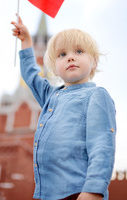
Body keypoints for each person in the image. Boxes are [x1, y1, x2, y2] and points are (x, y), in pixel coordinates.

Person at [11, 16, 116, 200]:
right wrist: (27, 41)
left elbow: (102, 145)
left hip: (77, 192)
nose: (71, 57)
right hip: (45, 194)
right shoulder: (51, 96)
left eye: (79, 51)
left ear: (94, 62)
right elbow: (31, 75)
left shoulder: (96, 96)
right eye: (62, 54)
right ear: (54, 68)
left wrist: (93, 190)